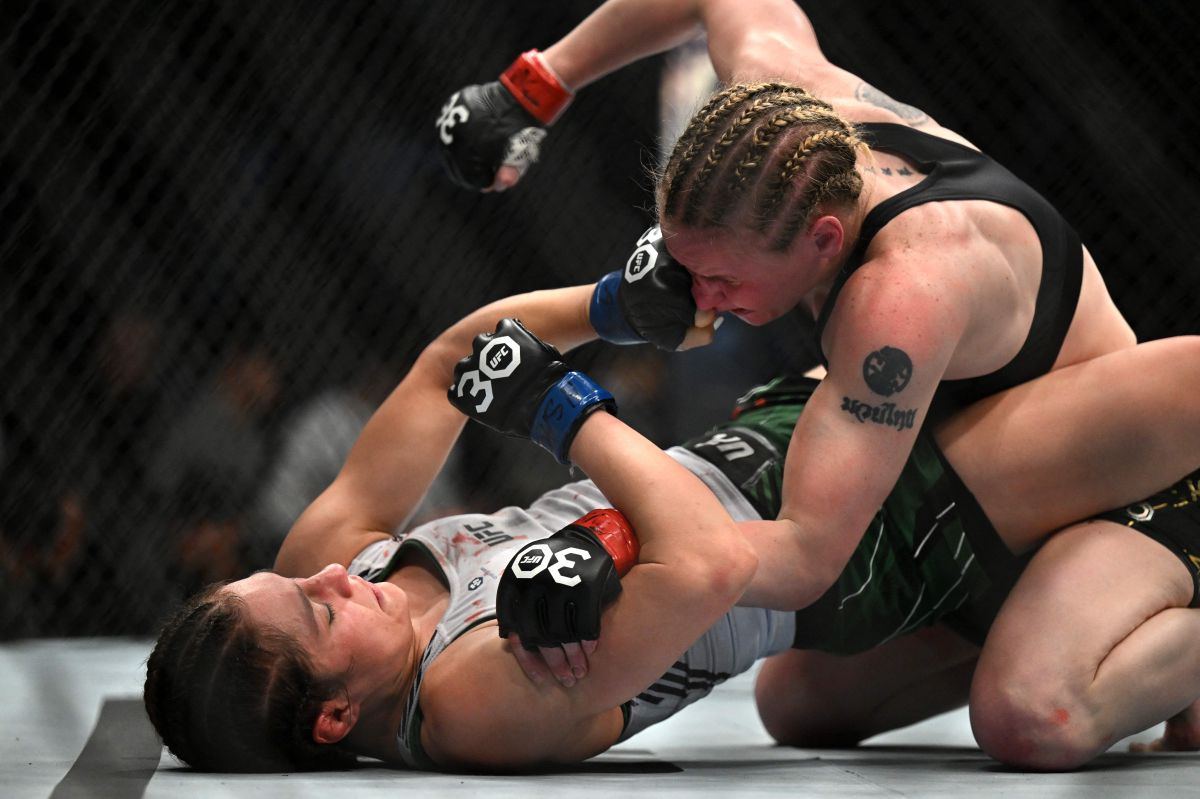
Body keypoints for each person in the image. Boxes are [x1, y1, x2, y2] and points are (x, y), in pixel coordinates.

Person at [436, 0, 1197, 768]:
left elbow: (806, 556)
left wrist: (615, 540)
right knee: (797, 705)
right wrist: (535, 85)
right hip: (991, 484)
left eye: (721, 278)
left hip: (1128, 493)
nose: (699, 300)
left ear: (823, 240)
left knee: (1033, 716)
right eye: (688, 267)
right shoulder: (785, 121)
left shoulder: (905, 291)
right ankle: (1085, 626)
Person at [144, 279, 1200, 771]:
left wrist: (610, 307)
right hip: (861, 529)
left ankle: (1118, 558)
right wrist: (568, 416)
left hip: (777, 447)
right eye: (317, 616)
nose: (330, 577)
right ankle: (1142, 556)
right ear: (334, 719)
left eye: (298, 582)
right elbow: (706, 565)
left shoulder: (341, 575)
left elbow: (450, 362)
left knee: (799, 709)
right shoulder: (469, 701)